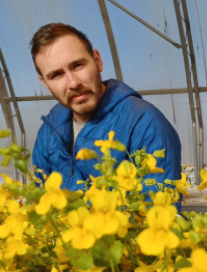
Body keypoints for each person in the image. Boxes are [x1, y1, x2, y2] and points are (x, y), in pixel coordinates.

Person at [27, 23, 183, 197]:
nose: (73, 83)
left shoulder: (144, 122)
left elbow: (159, 209)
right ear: (45, 84)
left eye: (78, 65)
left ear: (97, 61)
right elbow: (40, 201)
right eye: (56, 75)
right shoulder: (48, 132)